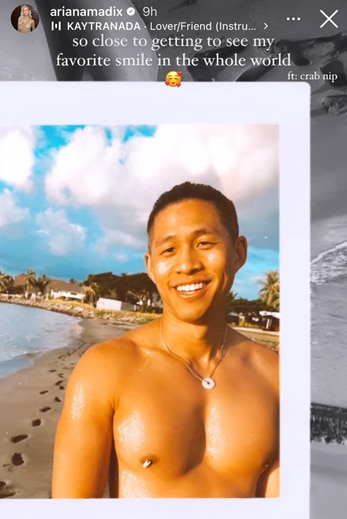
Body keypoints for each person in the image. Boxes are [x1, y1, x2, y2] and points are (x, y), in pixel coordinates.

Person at [52, 182, 279, 498]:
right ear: (150, 266)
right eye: (169, 250)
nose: (187, 265)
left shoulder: (276, 377)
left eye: (204, 243)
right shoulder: (105, 370)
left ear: (238, 252)